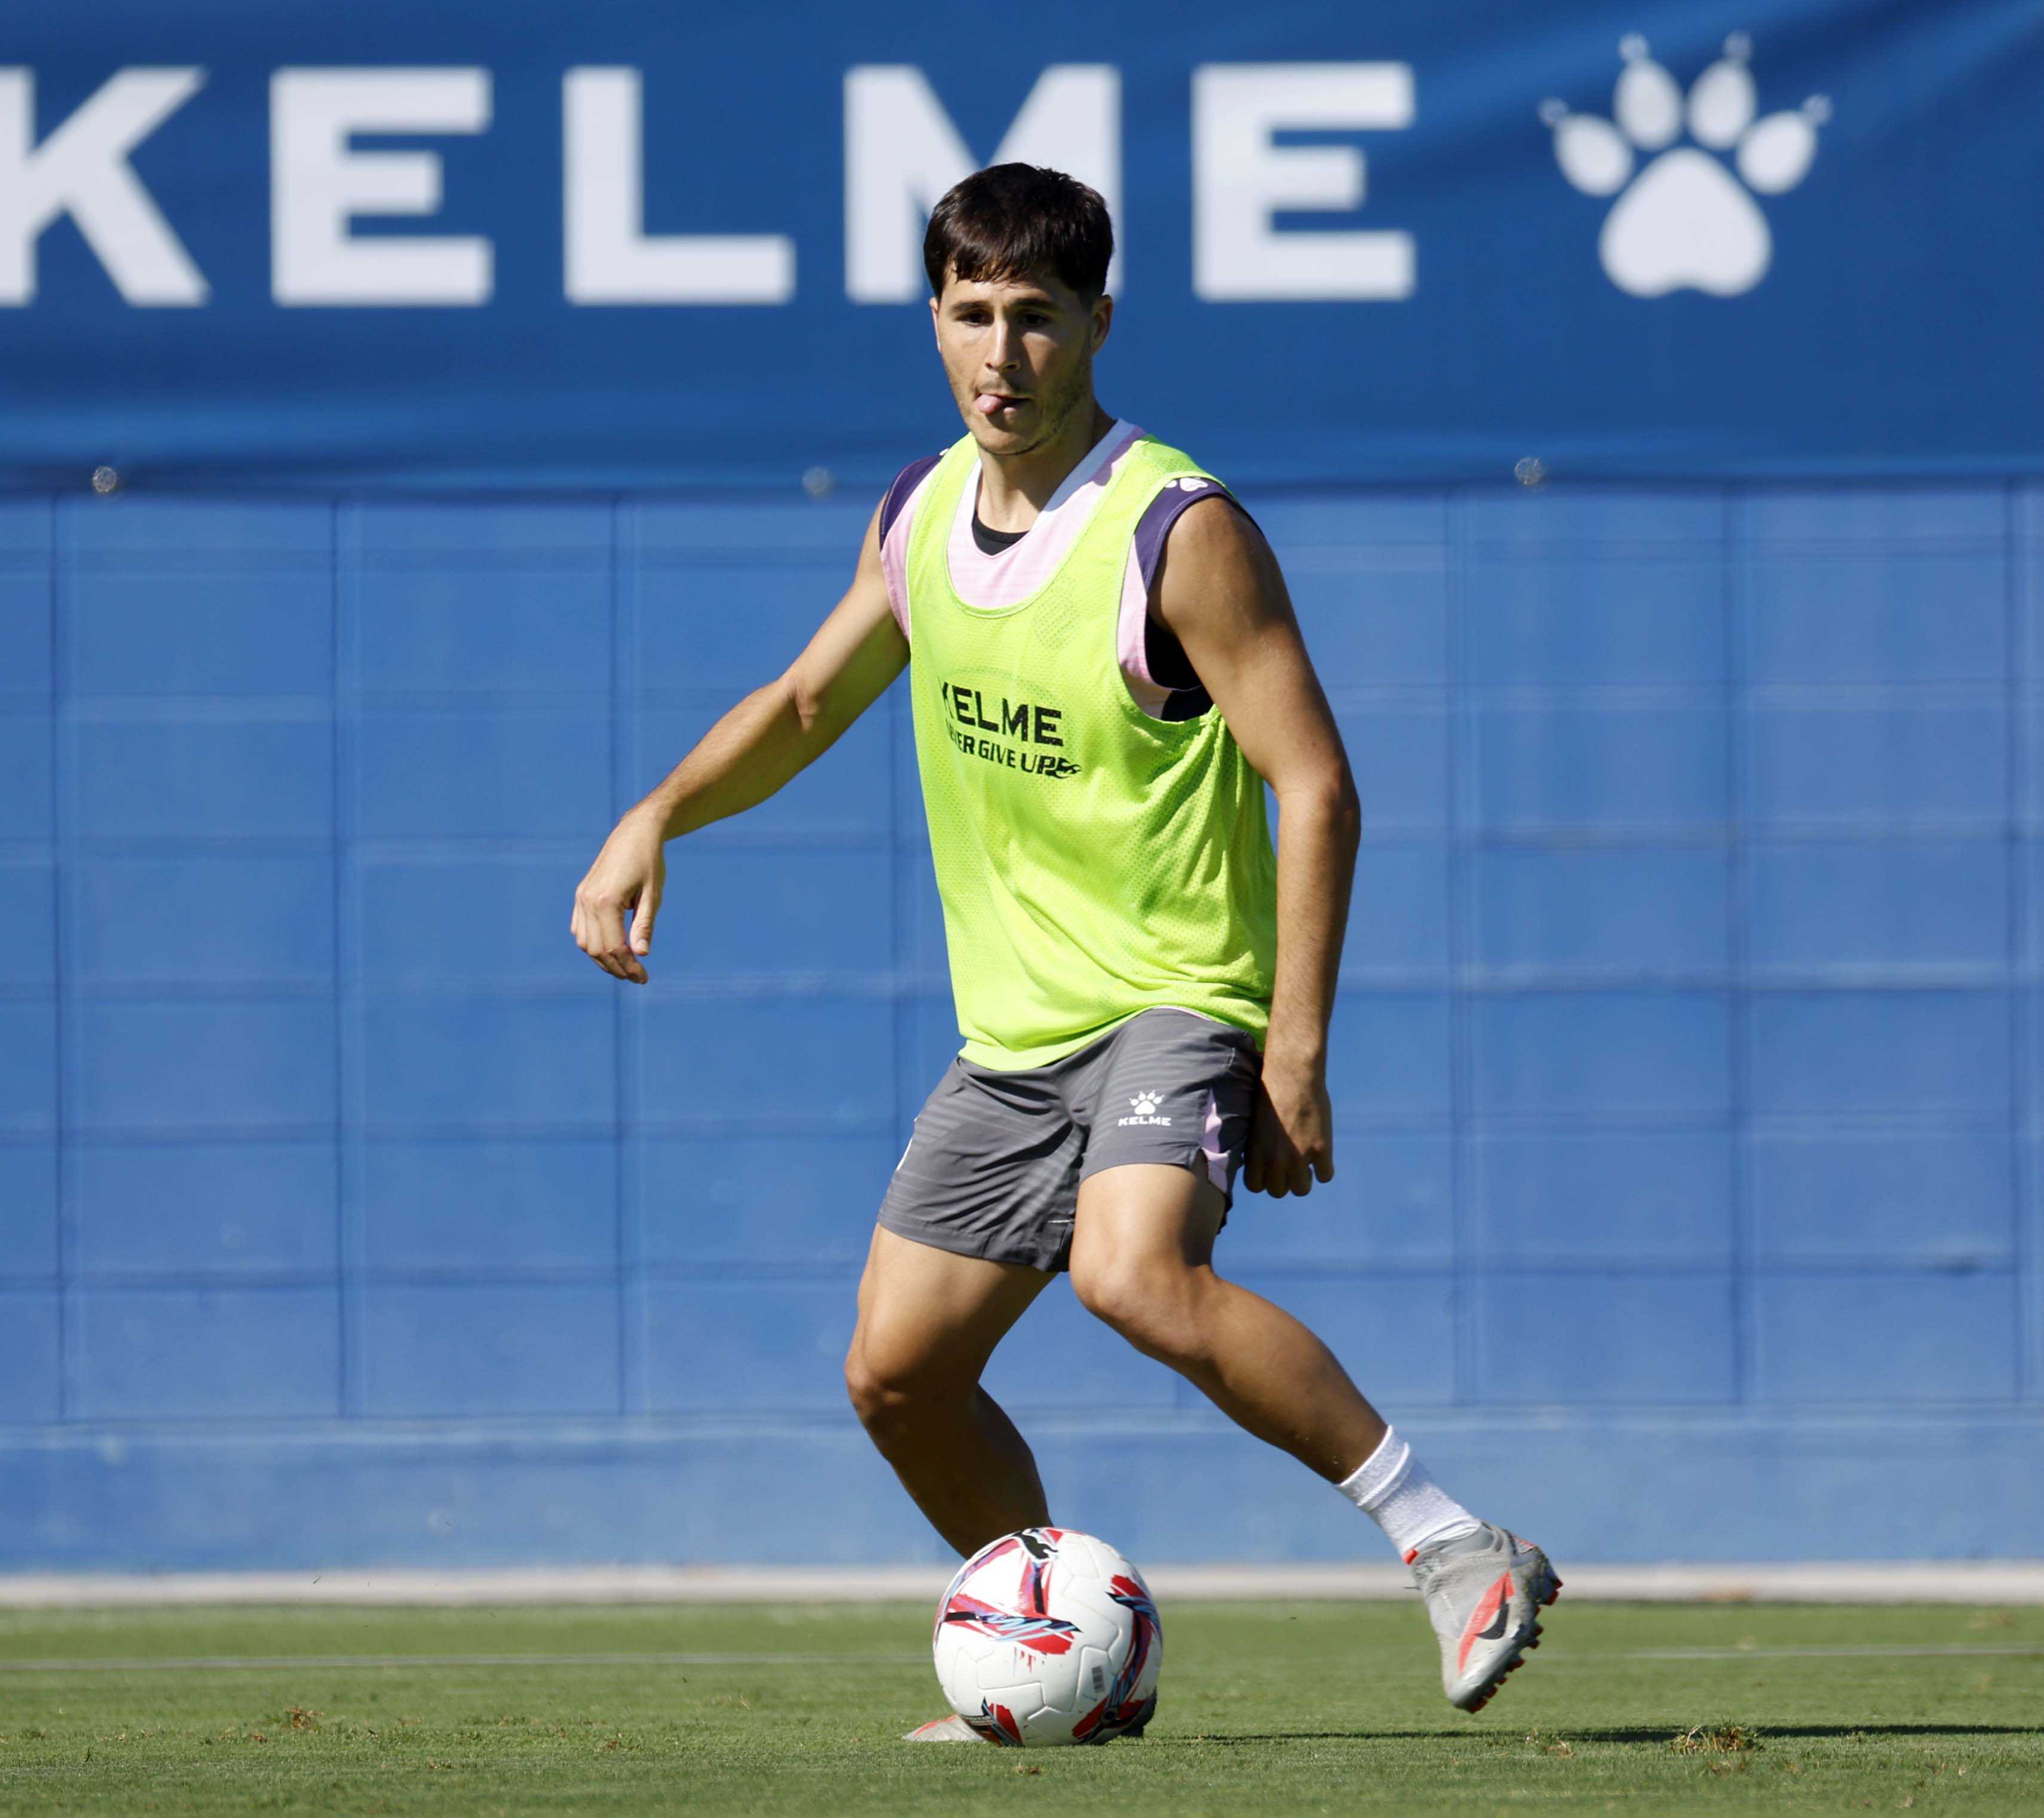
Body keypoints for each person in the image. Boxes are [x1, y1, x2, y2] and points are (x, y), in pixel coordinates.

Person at [571, 162, 1557, 1729]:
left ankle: (1453, 1542)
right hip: (1015, 1039)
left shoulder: (1176, 530)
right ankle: (1067, 1659)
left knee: (1133, 1276)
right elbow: (810, 702)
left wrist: (1294, 1049)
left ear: (1101, 322)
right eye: (972, 314)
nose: (1001, 353)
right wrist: (658, 814)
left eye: (1036, 317)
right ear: (935, 319)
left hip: (1177, 1000)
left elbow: (1316, 785)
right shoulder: (917, 517)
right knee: (896, 1375)